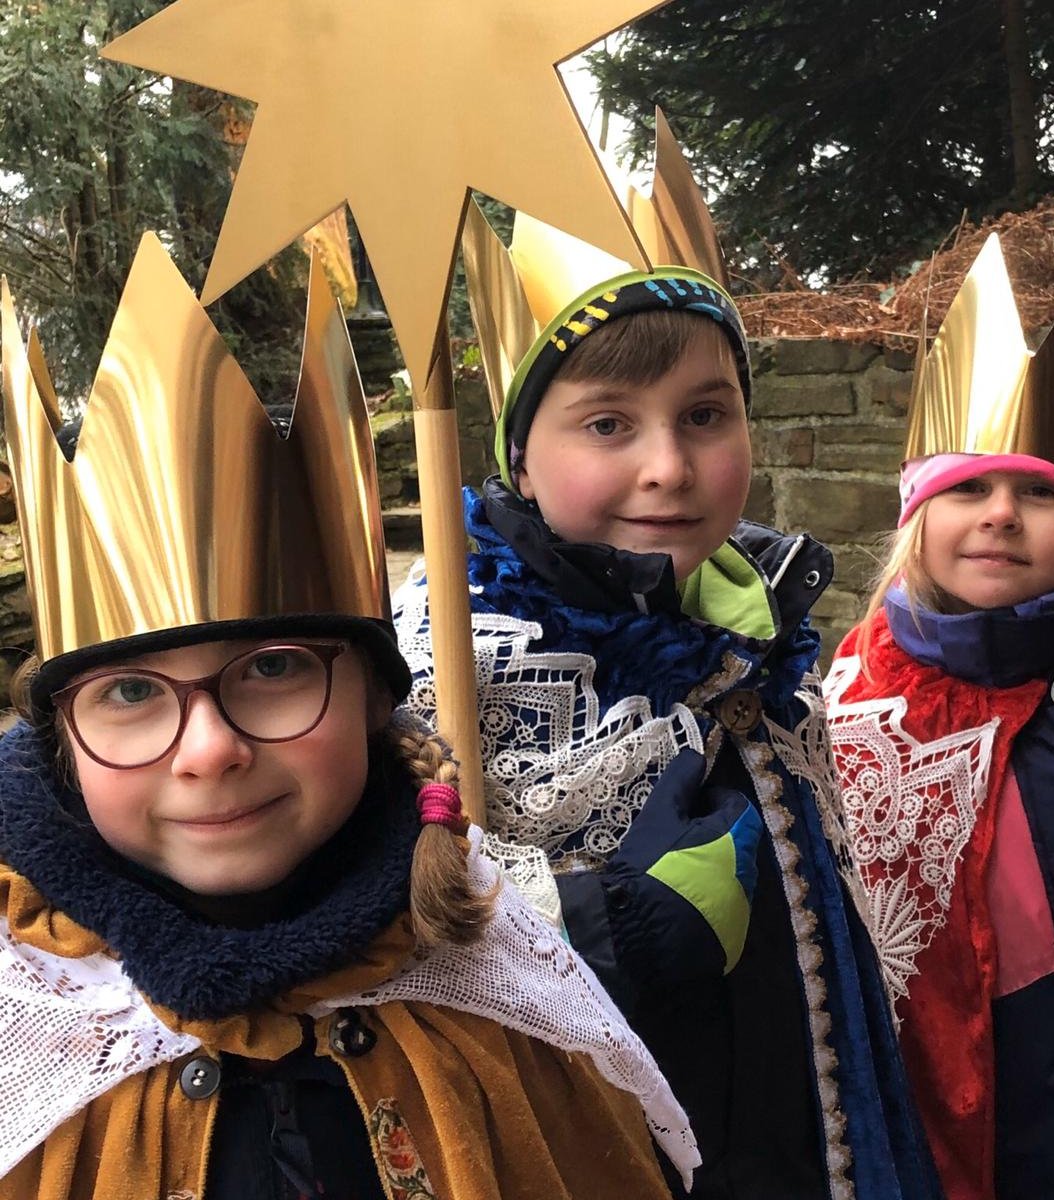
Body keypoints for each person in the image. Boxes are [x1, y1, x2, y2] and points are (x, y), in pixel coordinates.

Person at [0, 233, 697, 1200]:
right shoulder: (25, 1023)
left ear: (376, 698)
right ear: (59, 744)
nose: (209, 751)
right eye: (127, 692)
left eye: (275, 668)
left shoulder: (500, 983)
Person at [393, 113, 938, 1199]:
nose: (668, 468)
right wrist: (625, 921)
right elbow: (425, 963)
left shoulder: (760, 639)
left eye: (704, 414)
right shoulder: (446, 668)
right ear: (522, 458)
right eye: (606, 425)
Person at [824, 234, 1054, 1200]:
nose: (1001, 514)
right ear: (918, 516)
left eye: (1041, 492)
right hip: (1022, 1143)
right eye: (969, 490)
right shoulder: (858, 718)